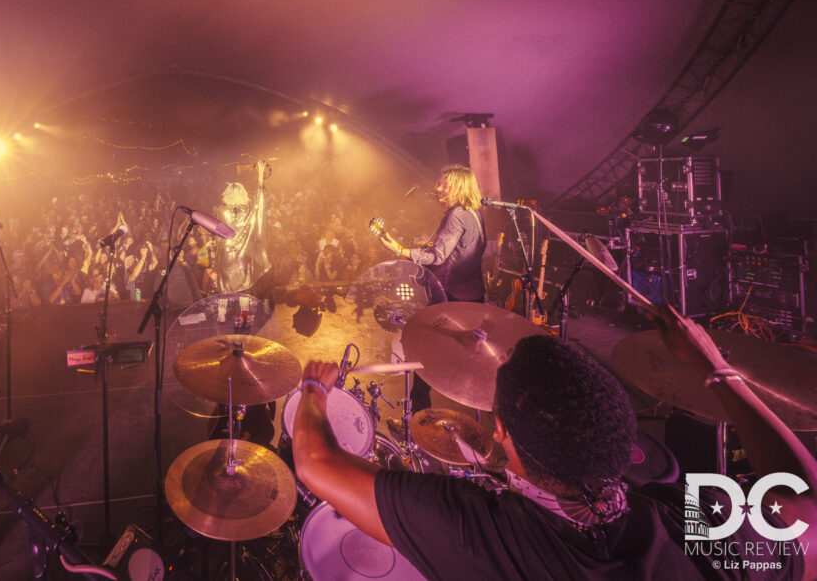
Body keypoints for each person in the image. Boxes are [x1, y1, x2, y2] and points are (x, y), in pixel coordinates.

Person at [292, 304, 817, 580]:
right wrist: (716, 367)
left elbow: (315, 462)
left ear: (500, 431)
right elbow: (808, 502)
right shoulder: (706, 529)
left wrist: (315, 389)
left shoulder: (477, 531)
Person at [377, 164, 487, 411]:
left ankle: (419, 419)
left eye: (444, 185)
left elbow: (438, 256)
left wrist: (399, 250)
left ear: (457, 188)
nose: (438, 188)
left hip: (449, 297)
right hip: (472, 297)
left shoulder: (456, 215)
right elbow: (459, 253)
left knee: (424, 354)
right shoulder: (475, 213)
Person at [215, 160, 272, 297]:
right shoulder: (249, 210)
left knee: (226, 289)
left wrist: (214, 261)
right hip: (244, 255)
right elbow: (260, 201)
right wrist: (259, 177)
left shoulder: (222, 211)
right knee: (245, 289)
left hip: (226, 257)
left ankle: (223, 316)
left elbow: (217, 235)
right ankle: (244, 315)